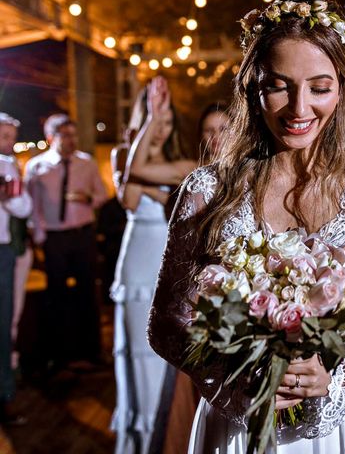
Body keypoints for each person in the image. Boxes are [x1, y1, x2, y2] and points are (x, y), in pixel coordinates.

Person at [147, 0, 345, 454]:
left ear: (342, 89)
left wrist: (339, 379)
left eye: (319, 88)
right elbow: (165, 323)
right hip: (239, 425)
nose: (299, 109)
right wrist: (234, 381)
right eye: (279, 86)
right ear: (252, 87)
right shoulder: (207, 191)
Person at [110, 79, 197, 454]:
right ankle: (140, 441)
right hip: (137, 258)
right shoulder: (121, 155)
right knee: (136, 352)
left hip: (169, 256)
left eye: (165, 122)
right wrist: (149, 119)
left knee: (164, 351)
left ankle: (164, 437)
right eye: (154, 121)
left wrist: (149, 185)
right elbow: (129, 194)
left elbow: (137, 182)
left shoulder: (187, 163)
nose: (161, 129)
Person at [25, 114, 107, 372]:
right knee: (56, 295)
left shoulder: (87, 163)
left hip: (82, 234)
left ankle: (92, 351)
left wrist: (88, 198)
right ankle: (58, 355)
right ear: (51, 138)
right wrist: (39, 236)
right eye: (65, 135)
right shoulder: (37, 166)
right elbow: (32, 206)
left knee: (88, 293)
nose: (72, 140)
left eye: (74, 135)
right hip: (54, 236)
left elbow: (102, 195)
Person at [0, 112, 32, 426]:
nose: (9, 143)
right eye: (4, 135)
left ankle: (5, 396)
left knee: (3, 324)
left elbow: (24, 207)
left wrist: (7, 196)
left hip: (3, 252)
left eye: (11, 136)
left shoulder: (9, 166)